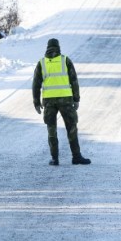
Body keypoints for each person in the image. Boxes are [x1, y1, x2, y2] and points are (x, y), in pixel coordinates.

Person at [32, 38, 91, 166]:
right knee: (71, 128)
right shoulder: (65, 61)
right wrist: (76, 99)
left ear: (47, 47)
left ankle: (54, 158)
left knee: (51, 129)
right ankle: (76, 157)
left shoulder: (41, 63)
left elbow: (36, 84)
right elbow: (74, 80)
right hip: (66, 101)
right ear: (58, 47)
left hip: (49, 102)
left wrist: (36, 102)